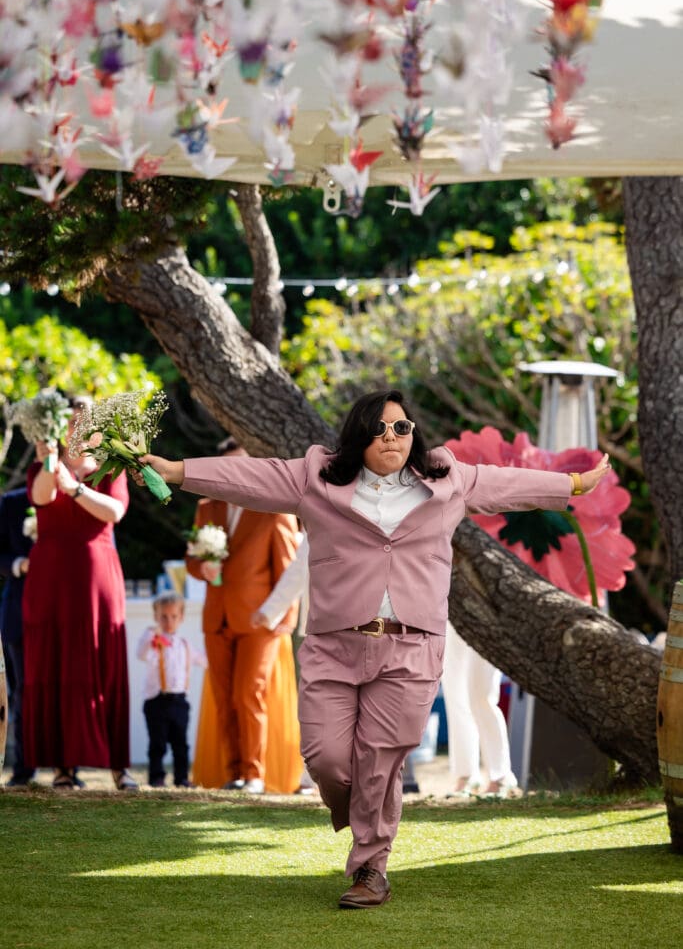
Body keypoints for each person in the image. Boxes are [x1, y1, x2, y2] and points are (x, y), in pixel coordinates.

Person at [139, 388, 610, 908]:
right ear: (358, 436)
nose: (392, 437)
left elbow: (507, 485)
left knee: (380, 761)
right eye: (381, 429)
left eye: (402, 428)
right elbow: (250, 477)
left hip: (411, 648)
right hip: (333, 645)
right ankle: (361, 813)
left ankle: (369, 868)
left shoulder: (447, 479)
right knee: (326, 757)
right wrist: (178, 471)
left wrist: (570, 484)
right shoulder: (315, 479)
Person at [22, 396, 137, 791]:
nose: (79, 429)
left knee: (101, 660)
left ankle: (119, 768)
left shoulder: (111, 468)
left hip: (98, 578)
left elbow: (114, 511)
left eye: (86, 422)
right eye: (72, 422)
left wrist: (75, 489)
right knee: (54, 662)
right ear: (60, 426)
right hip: (51, 579)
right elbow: (40, 498)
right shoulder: (45, 465)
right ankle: (62, 768)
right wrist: (52, 463)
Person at [185, 437, 299, 795]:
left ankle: (254, 774)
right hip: (216, 617)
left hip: (258, 621)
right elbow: (191, 558)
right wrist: (199, 567)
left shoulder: (275, 510)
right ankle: (233, 773)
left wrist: (285, 617)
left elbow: (290, 568)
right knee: (223, 696)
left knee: (249, 694)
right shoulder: (207, 508)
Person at [137, 591, 207, 788]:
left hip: (179, 701)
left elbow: (204, 660)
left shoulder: (185, 645)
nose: (169, 621)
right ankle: (156, 777)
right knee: (157, 743)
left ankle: (181, 777)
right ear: (156, 617)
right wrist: (152, 634)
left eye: (174, 616)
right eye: (163, 617)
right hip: (156, 700)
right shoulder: (152, 640)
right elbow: (141, 653)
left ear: (181, 617)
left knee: (180, 743)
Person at [442, 622, 517, 799]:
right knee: (455, 695)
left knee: (481, 695)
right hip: (447, 612)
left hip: (484, 612)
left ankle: (501, 776)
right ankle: (466, 775)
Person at [0, 486, 35, 786]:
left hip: (63, 611)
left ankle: (67, 769)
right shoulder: (11, 502)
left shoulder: (72, 497)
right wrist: (18, 564)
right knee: (22, 690)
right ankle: (23, 769)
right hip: (18, 610)